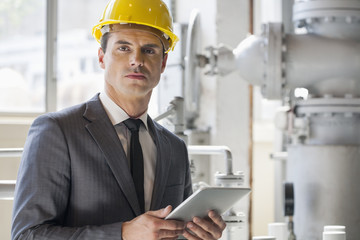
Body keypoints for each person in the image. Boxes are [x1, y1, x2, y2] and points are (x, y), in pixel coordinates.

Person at [11, 0, 226, 239]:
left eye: (150, 50)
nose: (137, 60)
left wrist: (198, 234)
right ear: (102, 57)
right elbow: (27, 234)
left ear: (163, 63)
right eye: (123, 48)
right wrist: (122, 233)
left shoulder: (175, 148)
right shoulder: (58, 131)